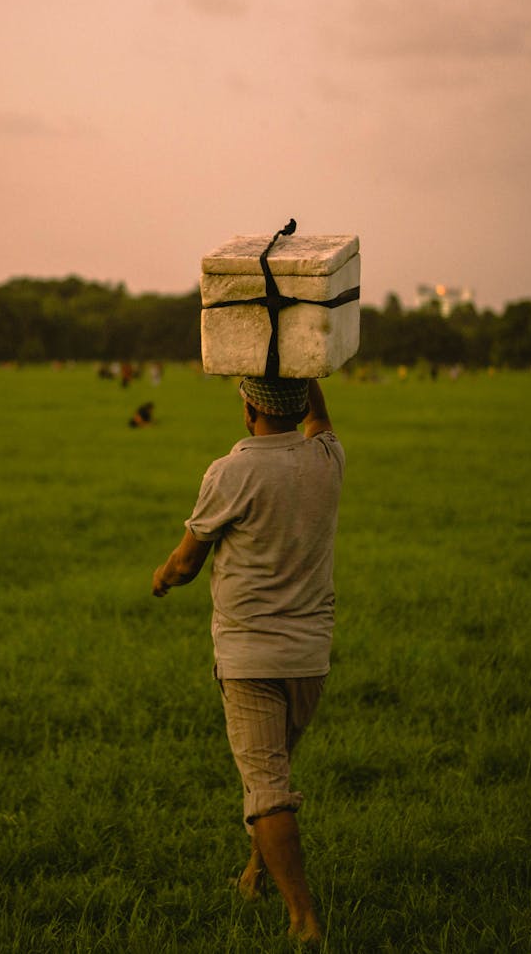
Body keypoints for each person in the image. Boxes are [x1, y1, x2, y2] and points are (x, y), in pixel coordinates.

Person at [152, 376, 345, 945]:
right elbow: (323, 422)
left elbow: (187, 564)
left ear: (249, 408)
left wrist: (162, 577)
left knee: (265, 787)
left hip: (250, 656)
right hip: (310, 657)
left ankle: (302, 918)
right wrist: (303, 360)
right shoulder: (328, 459)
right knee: (273, 776)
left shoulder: (231, 471)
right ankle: (255, 873)